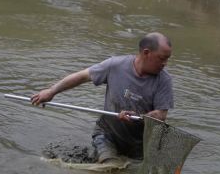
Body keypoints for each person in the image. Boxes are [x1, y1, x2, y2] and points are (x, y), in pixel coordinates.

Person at [30, 32, 173, 162]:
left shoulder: (163, 80)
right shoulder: (115, 65)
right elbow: (82, 76)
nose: (165, 64)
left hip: (139, 145)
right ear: (146, 53)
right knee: (110, 166)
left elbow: (161, 115)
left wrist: (138, 117)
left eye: (167, 59)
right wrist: (51, 92)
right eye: (162, 59)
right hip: (107, 134)